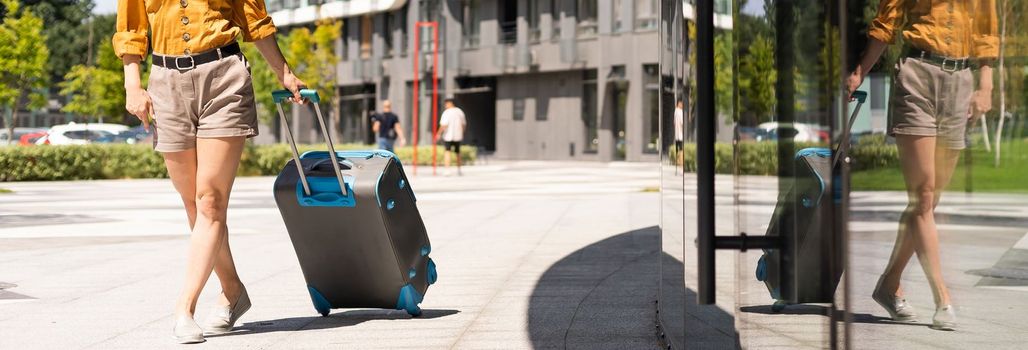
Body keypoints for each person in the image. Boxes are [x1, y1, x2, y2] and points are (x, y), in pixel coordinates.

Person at [115, 0, 307, 343]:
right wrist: (133, 84)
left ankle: (184, 308)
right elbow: (131, 28)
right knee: (193, 203)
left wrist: (284, 72)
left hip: (224, 79)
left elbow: (254, 19)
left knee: (210, 201)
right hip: (165, 82)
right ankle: (233, 291)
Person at [847, 0, 996, 331]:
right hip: (918, 77)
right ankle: (943, 298)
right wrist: (859, 72)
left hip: (961, 82)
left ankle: (889, 285)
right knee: (924, 195)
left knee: (928, 200)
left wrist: (986, 85)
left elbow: (986, 29)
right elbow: (887, 22)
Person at [436, 98, 467, 176]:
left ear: (450, 103)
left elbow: (444, 125)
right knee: (458, 152)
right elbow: (463, 124)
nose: (445, 105)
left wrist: (438, 133)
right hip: (458, 135)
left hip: (448, 136)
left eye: (446, 103)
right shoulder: (460, 111)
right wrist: (462, 133)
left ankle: (447, 170)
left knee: (447, 152)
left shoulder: (447, 112)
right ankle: (459, 170)